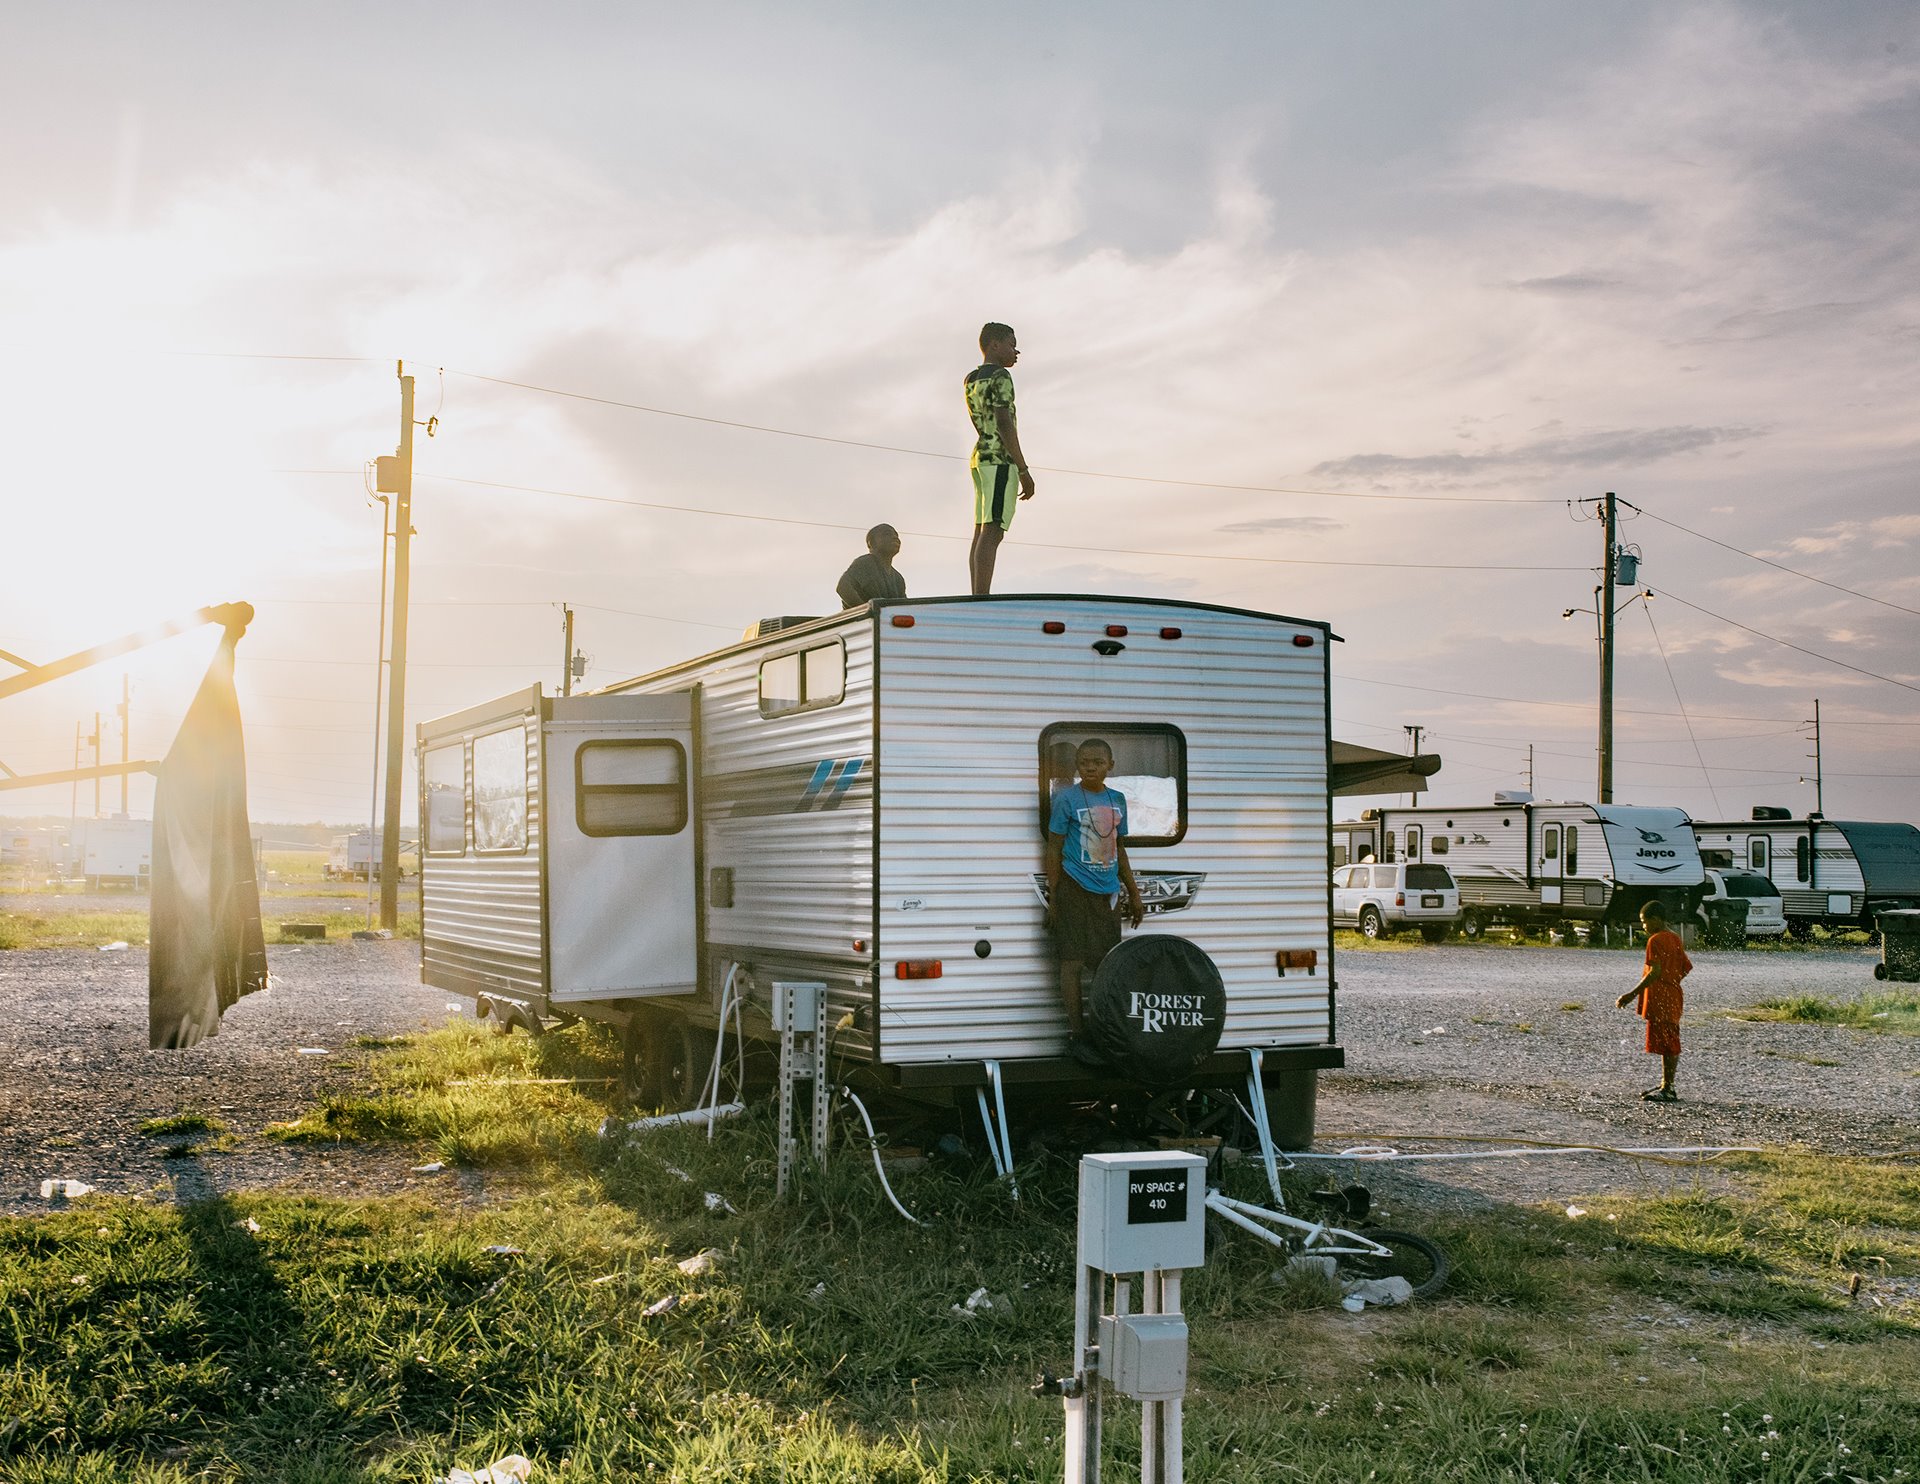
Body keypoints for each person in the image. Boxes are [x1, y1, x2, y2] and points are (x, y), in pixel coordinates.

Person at [1044, 738, 1146, 1063]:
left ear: (1110, 766)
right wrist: (1055, 899)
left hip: (1107, 892)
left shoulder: (1118, 800)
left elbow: (1120, 848)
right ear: (1077, 765)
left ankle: (1103, 1032)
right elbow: (1054, 848)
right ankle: (1077, 1033)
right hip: (1074, 888)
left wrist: (1133, 891)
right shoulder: (1066, 798)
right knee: (1071, 963)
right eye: (1084, 761)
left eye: (1097, 761)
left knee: (1106, 965)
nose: (1090, 766)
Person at [963, 322, 1033, 595]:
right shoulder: (1001, 376)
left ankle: (976, 594)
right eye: (1011, 344)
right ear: (994, 344)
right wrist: (1023, 468)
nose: (1016, 351)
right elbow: (1004, 422)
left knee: (981, 530)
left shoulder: (970, 378)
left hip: (979, 456)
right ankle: (981, 598)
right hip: (999, 460)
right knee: (993, 532)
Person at [1616, 901, 1692, 1101]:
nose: (1644, 926)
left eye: (1645, 922)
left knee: (1668, 1044)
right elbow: (1685, 967)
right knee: (1670, 1040)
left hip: (1661, 998)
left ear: (1656, 920)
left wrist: (1631, 994)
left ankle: (1669, 1088)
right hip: (1674, 995)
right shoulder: (1675, 938)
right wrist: (1671, 981)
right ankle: (1667, 1084)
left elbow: (1654, 971)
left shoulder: (1655, 940)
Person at [836, 524, 907, 609]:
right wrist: (867, 611)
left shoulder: (898, 578)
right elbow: (843, 587)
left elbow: (904, 606)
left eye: (896, 535)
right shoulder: (865, 563)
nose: (895, 537)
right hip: (863, 621)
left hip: (885, 620)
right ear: (871, 543)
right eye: (887, 534)